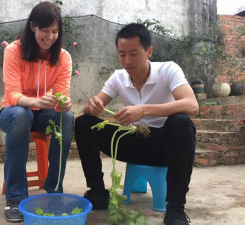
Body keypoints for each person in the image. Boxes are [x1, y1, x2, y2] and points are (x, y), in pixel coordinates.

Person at [74, 23, 198, 225]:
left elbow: (192, 105)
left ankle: (175, 208)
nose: (127, 61)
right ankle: (97, 191)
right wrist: (92, 106)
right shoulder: (118, 77)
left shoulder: (168, 70)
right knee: (83, 123)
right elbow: (95, 105)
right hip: (131, 141)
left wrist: (144, 110)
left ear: (149, 51)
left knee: (182, 122)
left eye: (133, 54)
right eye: (122, 54)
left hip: (164, 145)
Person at [0, 2, 74, 223]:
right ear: (33, 27)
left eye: (55, 31)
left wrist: (63, 104)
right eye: (45, 30)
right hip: (13, 113)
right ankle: (15, 198)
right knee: (22, 114)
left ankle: (54, 191)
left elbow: (61, 95)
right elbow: (12, 94)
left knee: (66, 118)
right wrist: (35, 101)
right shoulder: (14, 51)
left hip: (42, 113)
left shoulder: (63, 57)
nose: (50, 36)